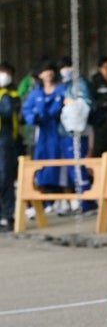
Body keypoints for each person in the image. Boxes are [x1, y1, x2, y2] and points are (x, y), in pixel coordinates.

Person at [57, 56, 95, 214]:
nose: (65, 69)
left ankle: (86, 203)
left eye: (68, 66)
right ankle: (83, 202)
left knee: (79, 168)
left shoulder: (80, 83)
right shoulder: (66, 85)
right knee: (73, 169)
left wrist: (70, 104)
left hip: (77, 132)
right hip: (66, 132)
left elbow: (86, 105)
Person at [21, 58, 64, 194]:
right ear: (39, 74)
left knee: (60, 161)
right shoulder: (35, 93)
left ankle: (62, 196)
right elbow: (26, 110)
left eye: (50, 70)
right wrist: (34, 117)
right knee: (40, 161)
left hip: (59, 131)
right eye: (45, 70)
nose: (48, 73)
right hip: (41, 133)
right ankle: (42, 194)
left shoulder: (61, 89)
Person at [0, 61, 20, 231]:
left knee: (5, 178)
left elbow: (9, 114)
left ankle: (7, 216)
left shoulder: (11, 93)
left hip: (5, 140)